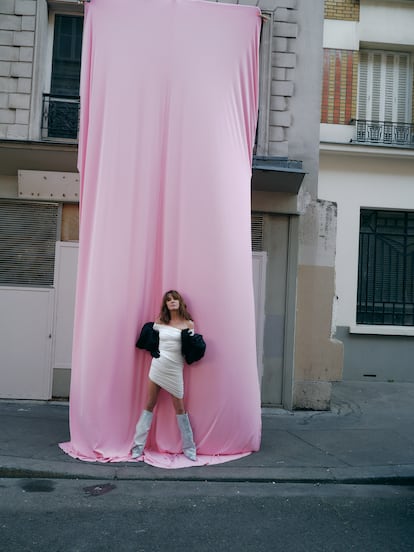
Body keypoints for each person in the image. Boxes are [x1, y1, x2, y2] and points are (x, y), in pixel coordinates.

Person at [131, 290, 198, 461]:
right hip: (158, 366)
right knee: (149, 404)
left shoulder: (188, 324)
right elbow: (149, 338)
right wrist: (153, 348)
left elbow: (189, 349)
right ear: (166, 305)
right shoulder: (160, 321)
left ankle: (189, 447)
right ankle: (137, 447)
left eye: (175, 298)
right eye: (169, 300)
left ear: (180, 302)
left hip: (175, 369)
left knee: (180, 408)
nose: (172, 301)